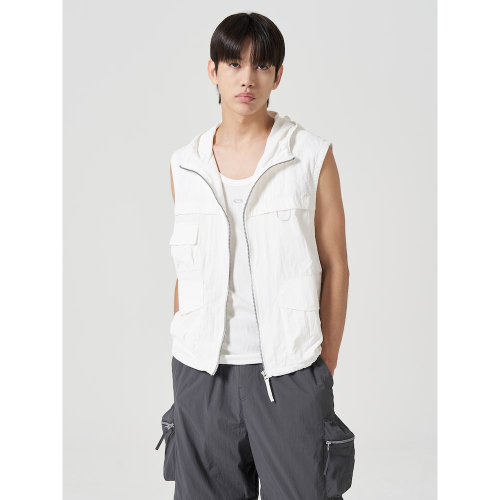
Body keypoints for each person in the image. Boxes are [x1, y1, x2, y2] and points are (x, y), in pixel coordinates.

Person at [163, 11, 352, 500]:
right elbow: (187, 272)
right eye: (234, 64)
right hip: (201, 376)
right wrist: (187, 357)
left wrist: (322, 369)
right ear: (213, 71)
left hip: (289, 374)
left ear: (278, 75)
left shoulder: (310, 156)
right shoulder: (185, 165)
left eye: (261, 65)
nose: (247, 78)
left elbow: (336, 265)